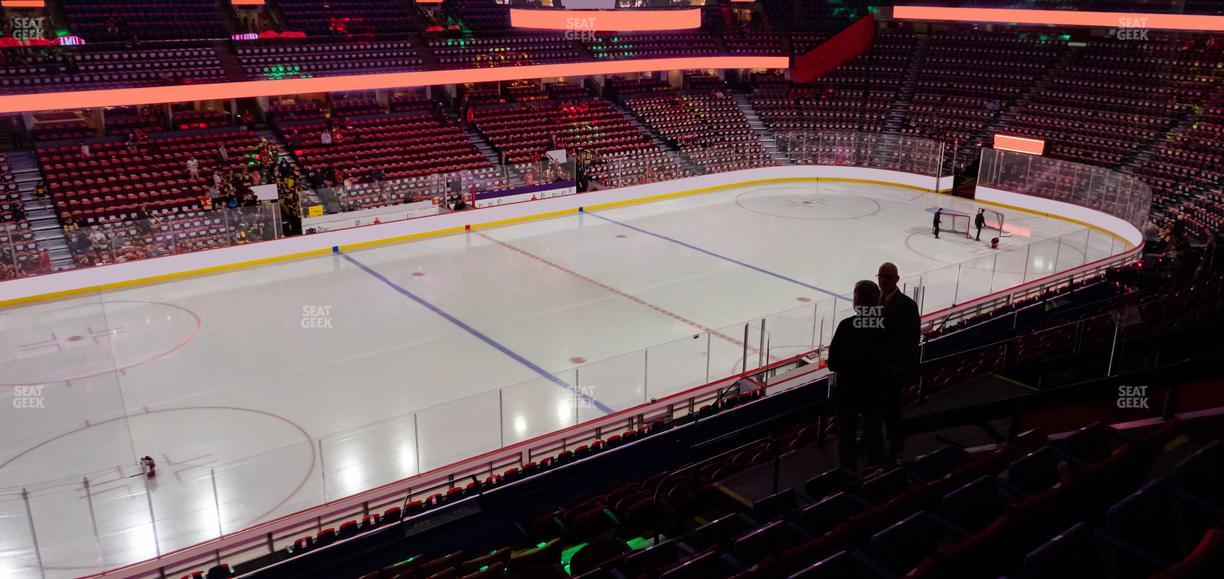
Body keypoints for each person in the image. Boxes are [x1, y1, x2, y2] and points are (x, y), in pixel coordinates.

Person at [828, 280, 889, 472]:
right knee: (874, 429)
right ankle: (877, 472)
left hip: (849, 390)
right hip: (876, 388)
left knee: (847, 435)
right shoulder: (885, 325)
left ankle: (848, 475)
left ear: (856, 301)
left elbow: (833, 363)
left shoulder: (847, 326)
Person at [876, 262, 920, 463]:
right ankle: (874, 438)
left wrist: (901, 366)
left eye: (887, 276)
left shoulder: (907, 305)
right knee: (873, 406)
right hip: (875, 367)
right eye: (881, 276)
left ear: (896, 279)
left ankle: (896, 440)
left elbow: (911, 339)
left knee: (892, 407)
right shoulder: (874, 302)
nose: (883, 280)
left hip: (892, 368)